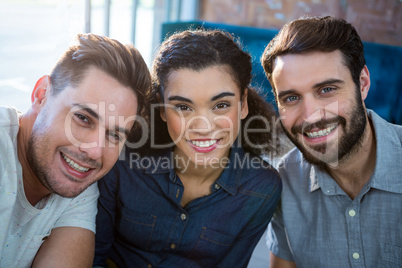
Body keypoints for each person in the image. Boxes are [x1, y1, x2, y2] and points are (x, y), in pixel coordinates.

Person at [93, 29, 282, 267]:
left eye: (221, 105)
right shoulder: (123, 162)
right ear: (161, 108)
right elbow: (93, 256)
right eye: (183, 107)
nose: (202, 127)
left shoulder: (262, 188)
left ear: (243, 104)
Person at [261, 15, 402, 267]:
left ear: (362, 84)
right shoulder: (284, 181)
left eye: (326, 90)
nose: (310, 116)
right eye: (291, 98)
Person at [0, 33, 150, 267]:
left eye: (114, 135)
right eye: (82, 118)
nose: (94, 152)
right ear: (41, 95)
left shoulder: (77, 185)